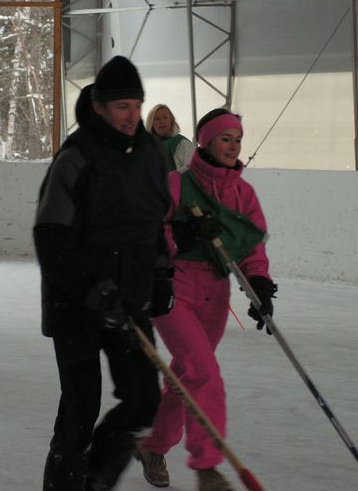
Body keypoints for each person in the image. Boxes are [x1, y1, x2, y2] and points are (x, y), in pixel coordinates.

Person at [34, 55, 174, 491]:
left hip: (129, 300)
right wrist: (93, 287)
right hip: (76, 302)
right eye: (121, 107)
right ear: (99, 107)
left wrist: (162, 273)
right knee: (81, 404)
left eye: (137, 105)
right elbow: (51, 236)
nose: (132, 116)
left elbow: (156, 223)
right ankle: (64, 482)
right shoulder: (76, 157)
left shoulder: (151, 154)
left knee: (144, 399)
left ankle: (94, 479)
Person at [133, 108, 277, 491]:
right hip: (173, 287)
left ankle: (153, 446)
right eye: (225, 138)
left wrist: (259, 282)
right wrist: (182, 235)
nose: (233, 146)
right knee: (204, 373)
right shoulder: (176, 184)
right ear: (206, 141)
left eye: (237, 139)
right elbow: (148, 229)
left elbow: (250, 247)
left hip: (216, 292)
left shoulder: (243, 193)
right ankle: (207, 466)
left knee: (186, 374)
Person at [145, 104, 194, 171]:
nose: (161, 122)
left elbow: (193, 171)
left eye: (165, 117)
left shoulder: (182, 143)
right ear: (151, 124)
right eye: (157, 119)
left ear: (171, 121)